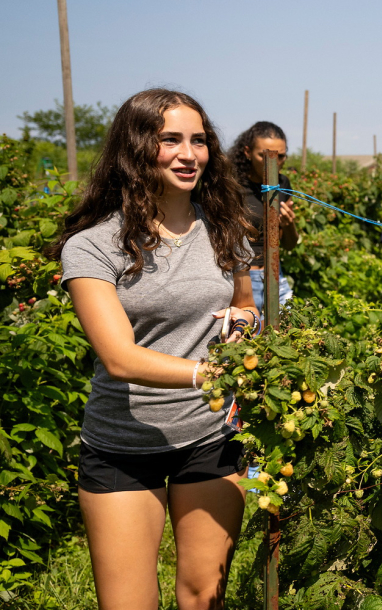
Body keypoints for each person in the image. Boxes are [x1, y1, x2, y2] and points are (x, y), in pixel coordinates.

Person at [49, 88, 257, 610]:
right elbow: (119, 358)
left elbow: (247, 304)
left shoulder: (225, 227)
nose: (190, 154)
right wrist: (211, 375)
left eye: (199, 141)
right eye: (171, 140)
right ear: (137, 147)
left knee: (203, 596)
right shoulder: (95, 245)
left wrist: (245, 325)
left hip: (211, 435)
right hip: (123, 445)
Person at [229, 121, 298, 311]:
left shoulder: (282, 183)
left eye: (280, 156)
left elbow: (289, 244)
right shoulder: (231, 185)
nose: (273, 162)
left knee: (289, 336)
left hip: (275, 274)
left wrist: (289, 224)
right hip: (241, 279)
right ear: (247, 152)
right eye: (264, 155)